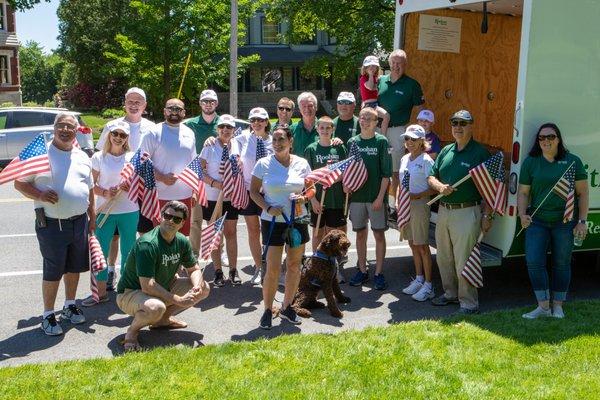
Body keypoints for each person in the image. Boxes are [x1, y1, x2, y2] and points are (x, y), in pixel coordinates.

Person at [14, 113, 95, 336]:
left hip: (79, 221)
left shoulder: (82, 156)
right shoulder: (42, 153)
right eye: (61, 126)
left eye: (70, 126)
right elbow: (19, 183)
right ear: (54, 127)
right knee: (53, 269)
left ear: (77, 130)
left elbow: (89, 188)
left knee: (75, 266)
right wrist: (39, 194)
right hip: (52, 224)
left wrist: (92, 216)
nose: (65, 130)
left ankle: (69, 305)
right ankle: (47, 315)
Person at [116, 201, 210, 352]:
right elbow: (147, 285)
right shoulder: (148, 244)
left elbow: (194, 269)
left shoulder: (181, 241)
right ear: (160, 217)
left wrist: (197, 287)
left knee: (204, 288)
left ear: (182, 223)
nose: (171, 221)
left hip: (162, 286)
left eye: (177, 219)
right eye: (167, 216)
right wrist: (178, 300)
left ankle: (163, 321)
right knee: (155, 307)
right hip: (131, 292)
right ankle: (132, 332)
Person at [518, 123, 588, 319]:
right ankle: (543, 306)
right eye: (542, 138)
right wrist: (522, 214)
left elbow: (582, 193)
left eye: (550, 137)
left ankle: (558, 306)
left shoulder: (573, 161)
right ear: (538, 141)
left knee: (562, 263)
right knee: (533, 262)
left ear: (558, 139)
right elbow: (523, 192)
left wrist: (582, 221)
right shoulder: (531, 162)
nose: (546, 141)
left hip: (565, 221)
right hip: (537, 221)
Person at [427, 110, 493, 314]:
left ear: (471, 126)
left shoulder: (479, 153)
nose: (458, 127)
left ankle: (469, 303)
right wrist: (439, 187)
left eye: (463, 123)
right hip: (444, 211)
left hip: (467, 211)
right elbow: (431, 176)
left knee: (464, 259)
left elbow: (491, 189)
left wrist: (487, 215)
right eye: (454, 122)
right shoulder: (446, 150)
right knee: (444, 257)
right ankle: (450, 294)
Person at [250, 125, 315, 329]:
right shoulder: (263, 164)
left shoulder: (302, 163)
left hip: (298, 220)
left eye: (281, 140)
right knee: (273, 268)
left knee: (295, 265)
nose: (277, 144)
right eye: (275, 140)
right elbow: (253, 192)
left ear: (290, 141)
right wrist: (268, 208)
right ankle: (268, 310)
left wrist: (304, 197)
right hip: (272, 222)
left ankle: (288, 306)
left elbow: (311, 187)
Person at [95, 87, 155, 289]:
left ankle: (132, 279)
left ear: (144, 106)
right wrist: (105, 191)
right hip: (111, 196)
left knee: (136, 238)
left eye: (138, 101)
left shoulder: (151, 128)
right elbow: (101, 158)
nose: (134, 104)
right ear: (125, 103)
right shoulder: (112, 126)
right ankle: (110, 271)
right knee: (111, 238)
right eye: (130, 100)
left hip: (139, 191)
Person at [80, 121, 139, 306]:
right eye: (115, 134)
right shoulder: (98, 157)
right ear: (109, 135)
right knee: (101, 250)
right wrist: (106, 192)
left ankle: (127, 290)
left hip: (129, 209)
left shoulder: (133, 157)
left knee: (129, 250)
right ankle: (100, 292)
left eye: (123, 135)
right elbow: (91, 186)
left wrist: (131, 185)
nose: (118, 138)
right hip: (105, 210)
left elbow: (141, 184)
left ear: (127, 138)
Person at [345, 107, 392, 290]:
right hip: (357, 197)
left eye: (368, 118)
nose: (363, 120)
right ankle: (362, 270)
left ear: (375, 123)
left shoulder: (381, 141)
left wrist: (380, 197)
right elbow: (347, 169)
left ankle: (378, 273)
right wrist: (346, 185)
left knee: (379, 234)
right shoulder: (352, 142)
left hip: (375, 198)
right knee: (360, 234)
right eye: (362, 117)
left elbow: (386, 174)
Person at [140, 98, 196, 235]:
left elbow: (194, 164)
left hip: (184, 196)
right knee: (160, 237)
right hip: (159, 196)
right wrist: (161, 177)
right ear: (165, 111)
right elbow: (142, 163)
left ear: (184, 113)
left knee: (181, 238)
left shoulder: (190, 133)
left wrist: (195, 191)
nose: (174, 112)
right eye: (171, 108)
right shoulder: (153, 132)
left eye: (178, 109)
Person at [378, 49, 425, 211]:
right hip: (378, 129)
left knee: (395, 170)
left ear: (405, 65)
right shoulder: (381, 81)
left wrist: (414, 131)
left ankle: (392, 205)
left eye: (400, 63)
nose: (396, 66)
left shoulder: (412, 85)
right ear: (389, 63)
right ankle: (379, 200)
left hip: (398, 131)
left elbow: (420, 110)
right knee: (377, 165)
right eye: (393, 63)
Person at [199, 114, 242, 287]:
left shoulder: (237, 144)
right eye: (222, 127)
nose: (225, 130)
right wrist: (216, 184)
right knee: (215, 234)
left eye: (229, 127)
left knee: (231, 233)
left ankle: (233, 270)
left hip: (230, 197)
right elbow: (199, 171)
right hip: (212, 197)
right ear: (217, 129)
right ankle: (217, 271)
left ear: (233, 130)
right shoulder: (209, 146)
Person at [232, 107, 274, 285]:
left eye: (261, 120)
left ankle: (271, 267)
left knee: (269, 232)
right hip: (249, 191)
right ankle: (258, 267)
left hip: (269, 192)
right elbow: (228, 147)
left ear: (266, 122)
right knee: (253, 231)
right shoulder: (241, 139)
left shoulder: (274, 140)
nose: (257, 123)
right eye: (253, 120)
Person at [397, 125, 436, 301]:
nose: (409, 142)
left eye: (413, 139)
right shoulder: (405, 158)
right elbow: (400, 183)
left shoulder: (427, 160)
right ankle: (419, 279)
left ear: (422, 141)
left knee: (422, 245)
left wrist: (418, 195)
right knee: (413, 243)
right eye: (407, 139)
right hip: (406, 205)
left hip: (420, 205)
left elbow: (435, 187)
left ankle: (429, 285)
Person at [304, 116, 348, 252]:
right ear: (317, 129)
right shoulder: (311, 149)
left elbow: (346, 171)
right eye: (321, 127)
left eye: (328, 127)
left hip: (335, 199)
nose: (324, 130)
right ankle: (316, 261)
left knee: (333, 235)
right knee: (317, 233)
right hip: (318, 200)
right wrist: (313, 201)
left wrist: (331, 179)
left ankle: (333, 266)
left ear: (333, 129)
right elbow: (307, 177)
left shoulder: (339, 148)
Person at [185, 89, 220, 256]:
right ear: (200, 103)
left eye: (211, 101)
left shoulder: (223, 123)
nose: (208, 104)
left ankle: (218, 251)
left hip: (215, 179)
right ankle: (194, 253)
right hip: (196, 178)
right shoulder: (189, 125)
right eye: (205, 101)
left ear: (216, 103)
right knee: (196, 221)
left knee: (216, 220)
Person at [359, 55, 390, 134]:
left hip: (375, 104)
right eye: (369, 66)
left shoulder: (375, 78)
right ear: (365, 68)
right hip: (369, 105)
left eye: (374, 66)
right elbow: (370, 86)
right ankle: (379, 137)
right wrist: (371, 75)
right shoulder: (364, 78)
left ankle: (382, 137)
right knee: (384, 117)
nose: (372, 68)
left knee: (385, 117)